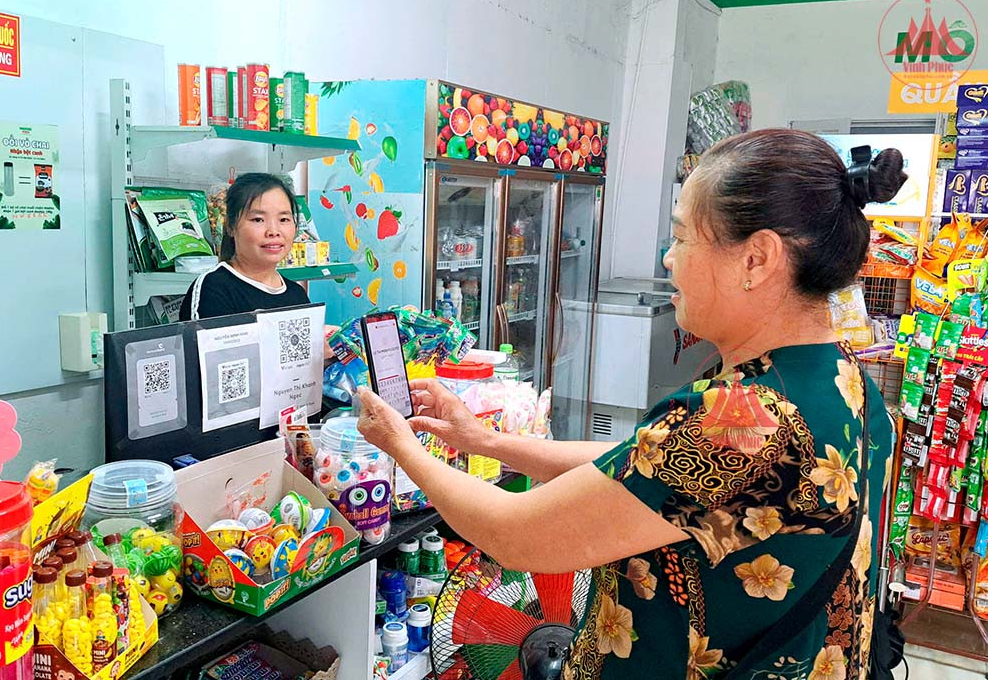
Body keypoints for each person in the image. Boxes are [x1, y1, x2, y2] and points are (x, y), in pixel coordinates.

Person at [356, 129, 905, 680]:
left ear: (756, 259)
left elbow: (515, 534)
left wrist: (401, 445)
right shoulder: (845, 381)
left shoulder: (748, 421)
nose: (668, 259)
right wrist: (487, 442)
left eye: (682, 238)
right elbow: (635, 473)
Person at [180, 173, 311, 321]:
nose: (273, 231)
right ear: (231, 226)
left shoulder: (297, 294)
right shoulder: (213, 289)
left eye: (284, 219)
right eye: (258, 219)